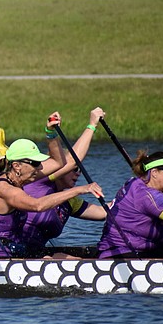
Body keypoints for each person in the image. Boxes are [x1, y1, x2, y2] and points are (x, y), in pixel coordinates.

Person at [0, 112, 103, 258]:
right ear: (17, 166)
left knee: (62, 258)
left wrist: (50, 133)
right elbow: (37, 206)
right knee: (52, 260)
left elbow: (58, 163)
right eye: (35, 163)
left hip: (15, 254)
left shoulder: (22, 177)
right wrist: (80, 190)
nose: (39, 167)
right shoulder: (4, 189)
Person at [19, 108, 108, 255]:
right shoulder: (40, 179)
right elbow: (73, 160)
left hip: (35, 253)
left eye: (80, 170)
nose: (78, 174)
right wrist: (92, 125)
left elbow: (103, 213)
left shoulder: (69, 201)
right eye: (75, 170)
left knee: (77, 263)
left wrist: (131, 195)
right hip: (14, 252)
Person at [97, 152, 163, 258]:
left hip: (134, 252)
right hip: (120, 256)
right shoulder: (144, 194)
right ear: (154, 172)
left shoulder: (136, 183)